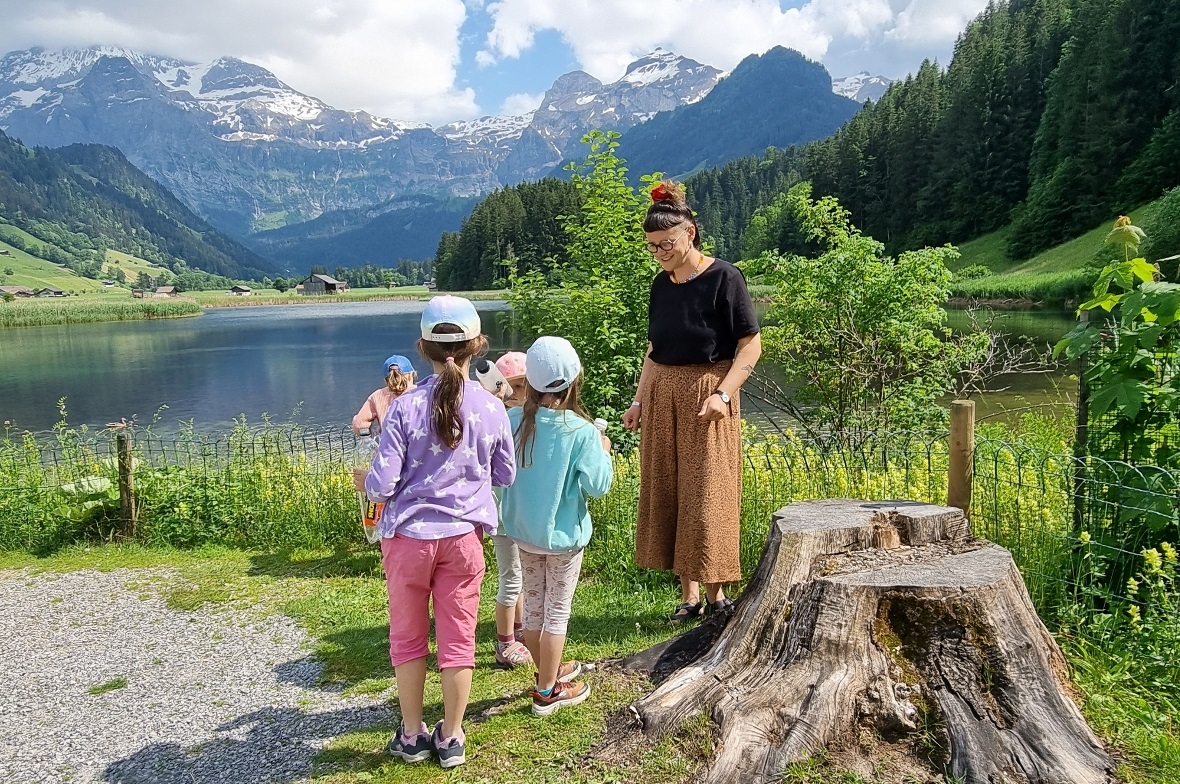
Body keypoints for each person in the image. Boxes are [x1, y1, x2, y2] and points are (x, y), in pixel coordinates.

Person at [354, 296, 515, 769]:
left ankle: (411, 734)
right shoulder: (490, 407)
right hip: (464, 540)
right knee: (458, 639)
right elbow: (504, 475)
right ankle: (452, 735)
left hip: (407, 540)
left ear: (423, 347)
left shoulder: (402, 409)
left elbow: (382, 484)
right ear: (477, 346)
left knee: (407, 637)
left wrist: (366, 479)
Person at [622, 180, 762, 623]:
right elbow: (653, 349)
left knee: (708, 493)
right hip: (662, 394)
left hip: (709, 393)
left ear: (690, 233)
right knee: (669, 489)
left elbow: (752, 345)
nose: (659, 253)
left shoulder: (725, 277)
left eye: (666, 244)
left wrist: (725, 393)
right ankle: (689, 596)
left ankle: (718, 595)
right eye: (651, 247)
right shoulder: (659, 285)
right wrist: (639, 400)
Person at [500, 336, 613, 716]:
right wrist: (603, 450)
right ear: (574, 381)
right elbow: (598, 486)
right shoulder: (581, 432)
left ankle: (547, 670)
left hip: (523, 535)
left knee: (533, 611)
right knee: (556, 614)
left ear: (527, 382)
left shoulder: (511, 419)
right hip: (563, 541)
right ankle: (547, 690)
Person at [489, 351, 532, 668]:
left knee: (519, 578)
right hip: (504, 517)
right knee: (512, 580)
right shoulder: (501, 421)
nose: (517, 395)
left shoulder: (522, 421)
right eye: (511, 388)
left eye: (523, 387)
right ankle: (504, 643)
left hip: (518, 516)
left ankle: (517, 631)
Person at [352, 355, 416, 435]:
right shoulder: (422, 392)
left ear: (386, 379)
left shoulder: (377, 396)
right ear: (412, 374)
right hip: (419, 444)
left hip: (390, 445)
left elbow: (359, 425)